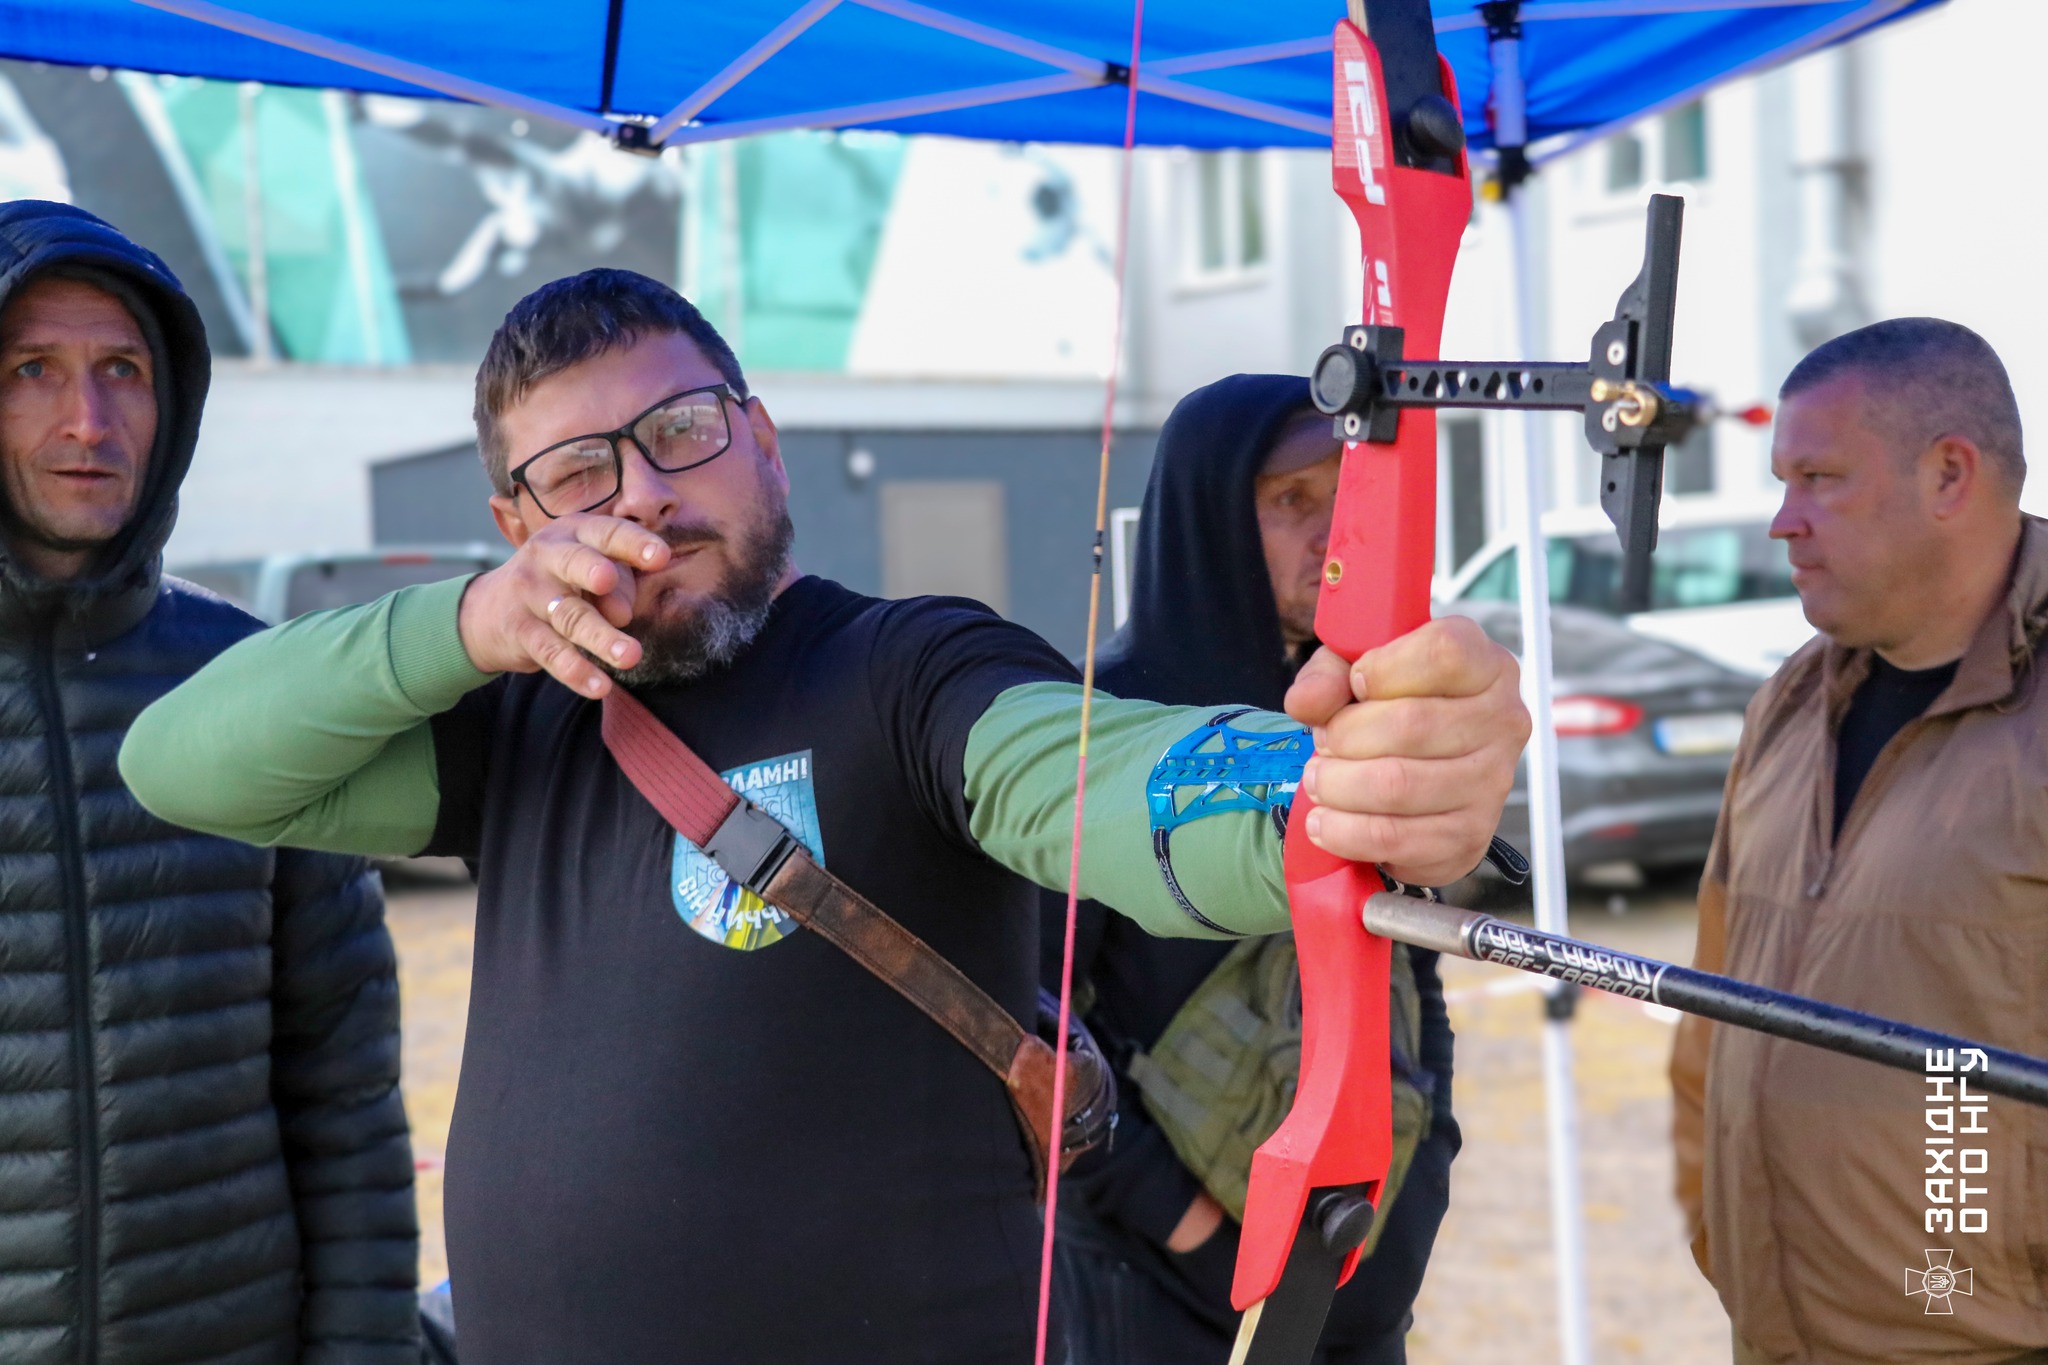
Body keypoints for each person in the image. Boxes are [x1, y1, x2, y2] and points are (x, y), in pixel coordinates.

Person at [118, 268, 1530, 1365]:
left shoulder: (906, 671)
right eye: (577, 474)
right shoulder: (522, 718)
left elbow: (1102, 782)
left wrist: (1336, 794)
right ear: (516, 527)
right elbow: (181, 762)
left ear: (764, 443)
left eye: (681, 432)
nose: (645, 496)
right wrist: (472, 624)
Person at [0, 200, 419, 1363]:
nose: (87, 421)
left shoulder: (254, 685)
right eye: (32, 370)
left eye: (122, 371)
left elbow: (346, 1094)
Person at [1047, 375, 1458, 1365]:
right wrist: (1199, 1238)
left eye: (1345, 498)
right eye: (1290, 501)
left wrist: (1426, 1163)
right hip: (1157, 1296)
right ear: (1209, 518)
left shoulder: (1359, 711)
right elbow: (1036, 1025)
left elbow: (1414, 959)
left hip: (1356, 1277)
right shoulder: (1104, 722)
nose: (1331, 534)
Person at [1670, 318, 2048, 1364]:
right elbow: (1710, 1007)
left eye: (1819, 479)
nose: (1780, 522)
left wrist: (1962, 1289)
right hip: (1775, 1331)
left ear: (1949, 475)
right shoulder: (1789, 703)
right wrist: (1720, 1234)